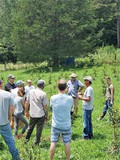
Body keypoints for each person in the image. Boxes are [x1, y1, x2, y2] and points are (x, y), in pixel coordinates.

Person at [50, 79, 73, 160]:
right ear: (66, 87)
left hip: (55, 124)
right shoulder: (70, 98)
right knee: (67, 143)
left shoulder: (53, 98)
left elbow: (51, 108)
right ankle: (67, 159)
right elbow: (70, 109)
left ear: (57, 87)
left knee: (53, 142)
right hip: (66, 125)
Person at [0, 80, 21, 160]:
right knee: (10, 141)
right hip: (4, 122)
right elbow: (11, 108)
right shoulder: (8, 94)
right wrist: (10, 119)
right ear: (1, 84)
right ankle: (16, 158)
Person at [25, 79, 48, 145]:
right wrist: (46, 115)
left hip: (32, 113)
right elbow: (45, 106)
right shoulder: (43, 94)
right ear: (43, 86)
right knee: (39, 129)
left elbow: (27, 102)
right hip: (41, 114)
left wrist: (26, 111)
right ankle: (36, 143)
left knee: (30, 127)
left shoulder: (31, 92)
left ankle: (26, 140)